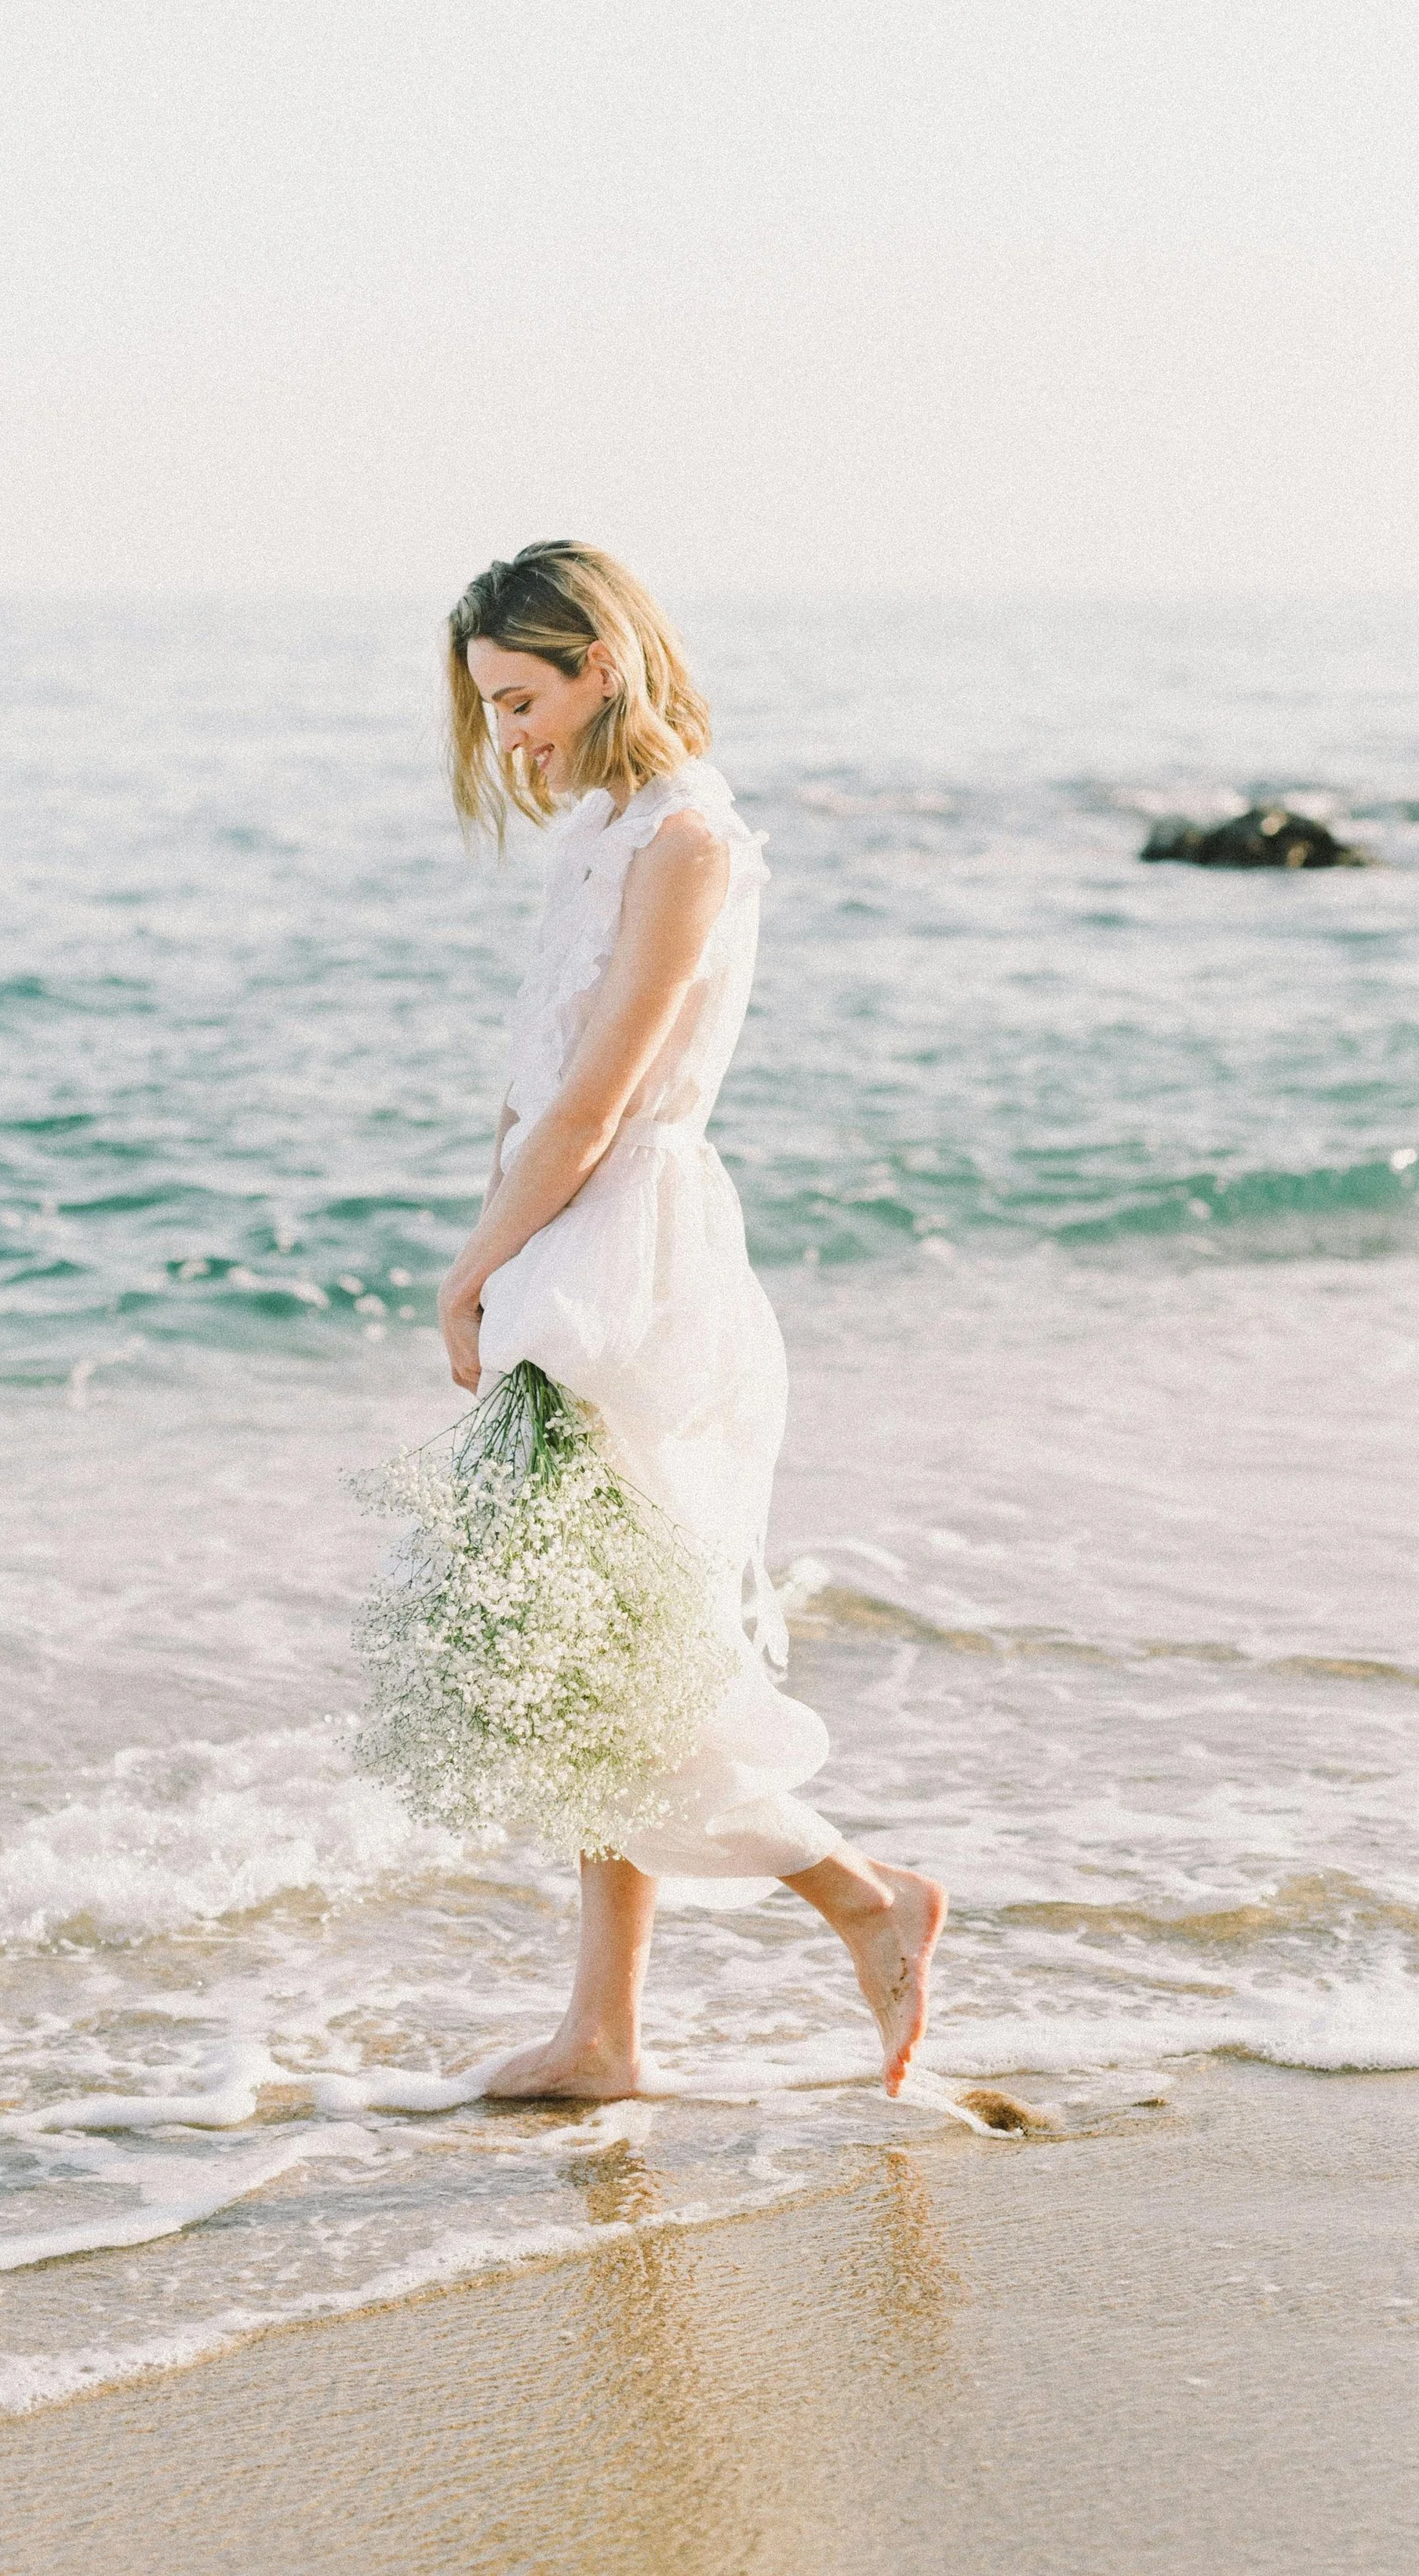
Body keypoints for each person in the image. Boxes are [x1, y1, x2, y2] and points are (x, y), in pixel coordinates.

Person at [434, 542, 948, 2101]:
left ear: (599, 660)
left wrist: (470, 1269)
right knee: (585, 1648)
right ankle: (603, 2030)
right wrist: (502, 1238)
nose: (510, 735)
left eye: (522, 698)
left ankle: (863, 1898)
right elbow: (541, 1089)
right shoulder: (595, 830)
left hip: (629, 1255)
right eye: (490, 709)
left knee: (616, 1645)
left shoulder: (685, 841)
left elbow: (599, 1101)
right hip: (565, 1237)